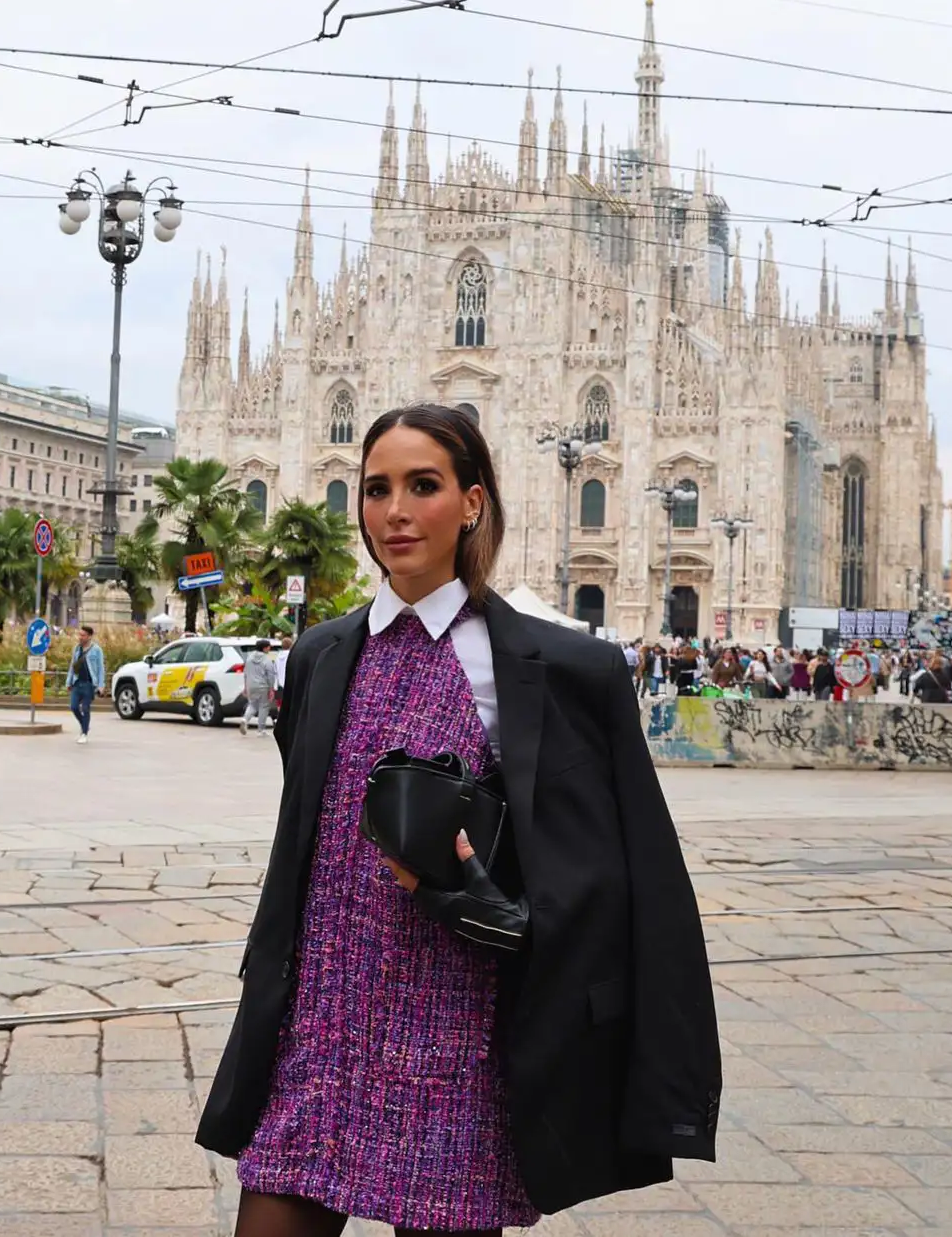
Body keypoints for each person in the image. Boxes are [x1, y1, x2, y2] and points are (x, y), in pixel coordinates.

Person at [198, 403, 721, 1236]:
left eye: (424, 486)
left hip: (458, 1036)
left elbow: (625, 868)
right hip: (322, 1024)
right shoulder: (322, 656)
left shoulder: (560, 668)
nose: (394, 511)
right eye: (376, 489)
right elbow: (311, 836)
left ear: (473, 502)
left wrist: (488, 892)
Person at [66, 626, 105, 745]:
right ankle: (84, 724)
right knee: (73, 707)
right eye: (80, 635)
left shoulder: (96, 650)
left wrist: (100, 685)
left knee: (86, 708)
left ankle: (84, 733)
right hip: (77, 682)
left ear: (89, 636)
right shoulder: (77, 649)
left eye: (83, 635)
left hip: (89, 683)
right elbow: (72, 666)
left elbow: (100, 668)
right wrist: (69, 681)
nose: (80, 637)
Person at [241, 640, 277, 737]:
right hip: (263, 686)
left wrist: (245, 686)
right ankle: (260, 730)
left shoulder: (249, 658)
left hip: (250, 685)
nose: (270, 649)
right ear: (264, 648)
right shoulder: (267, 660)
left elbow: (245, 673)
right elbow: (270, 675)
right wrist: (271, 688)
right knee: (263, 707)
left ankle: (245, 719)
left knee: (252, 705)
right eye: (269, 647)